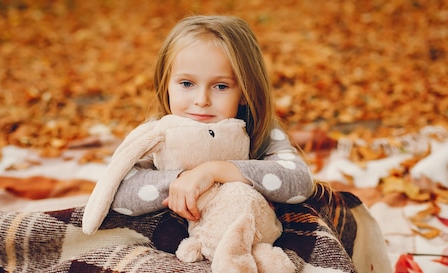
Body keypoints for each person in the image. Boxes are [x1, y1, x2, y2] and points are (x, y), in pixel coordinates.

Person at [111, 15, 314, 222]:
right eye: (187, 84)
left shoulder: (260, 128)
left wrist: (214, 171)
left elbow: (299, 179)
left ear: (245, 92)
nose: (201, 100)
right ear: (166, 84)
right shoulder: (157, 132)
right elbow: (116, 190)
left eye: (221, 86)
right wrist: (182, 181)